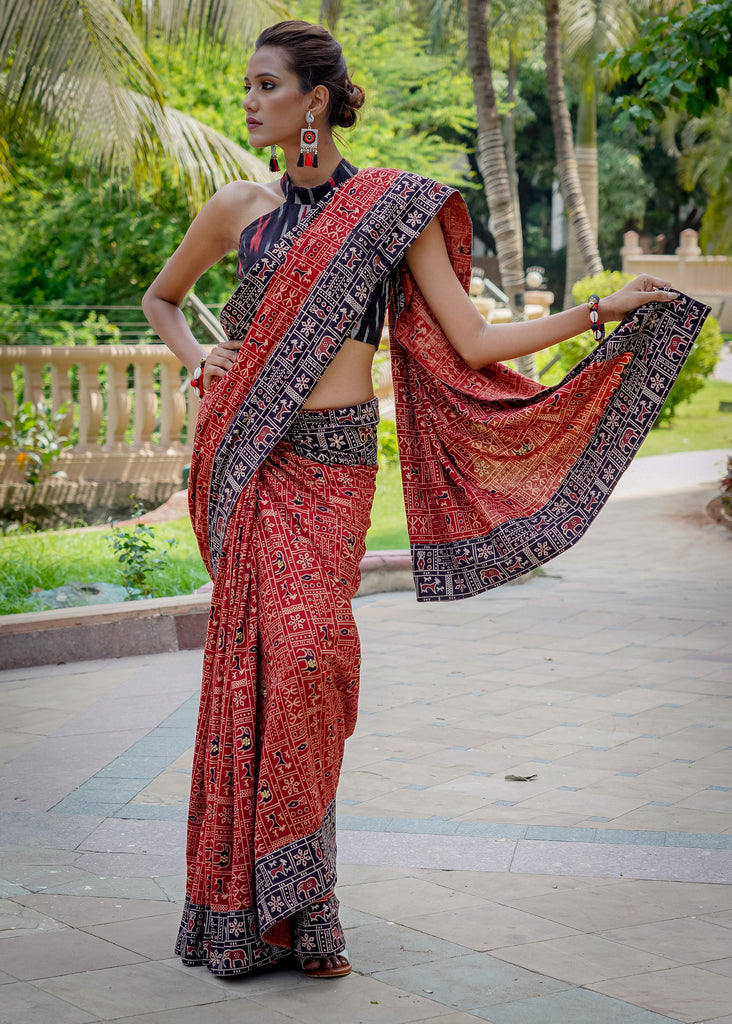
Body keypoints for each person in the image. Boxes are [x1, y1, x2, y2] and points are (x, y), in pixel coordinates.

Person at [142, 19, 708, 981]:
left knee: (313, 659)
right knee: (260, 667)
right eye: (247, 85)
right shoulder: (236, 206)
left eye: (265, 84)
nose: (248, 100)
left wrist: (607, 310)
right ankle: (258, 913)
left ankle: (296, 900)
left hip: (335, 467)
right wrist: (204, 361)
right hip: (250, 459)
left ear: (312, 101)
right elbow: (163, 298)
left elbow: (477, 343)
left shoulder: (392, 211)